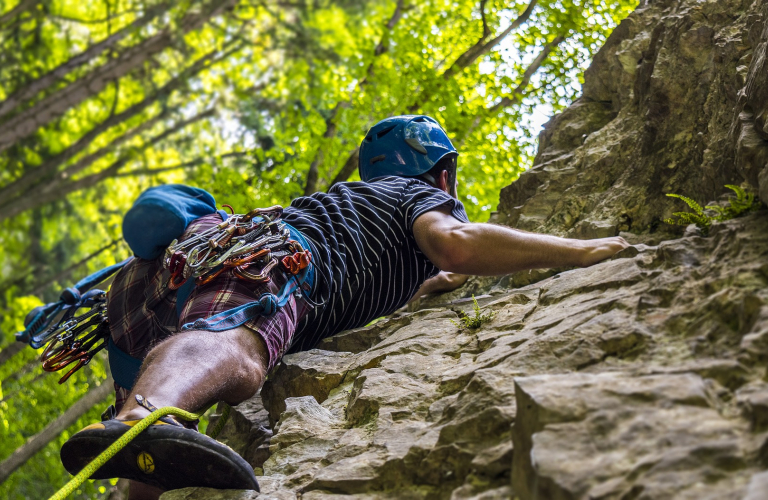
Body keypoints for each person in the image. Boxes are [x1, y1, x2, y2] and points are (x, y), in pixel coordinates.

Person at [61, 115, 629, 499]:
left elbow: (430, 275)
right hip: (271, 257)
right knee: (240, 347)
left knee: (159, 439)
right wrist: (583, 251)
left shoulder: (358, 208)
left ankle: (137, 445)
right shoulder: (418, 196)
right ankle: (140, 418)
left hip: (144, 294)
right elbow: (455, 243)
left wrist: (435, 285)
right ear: (444, 174)